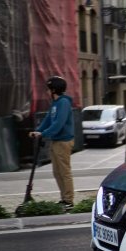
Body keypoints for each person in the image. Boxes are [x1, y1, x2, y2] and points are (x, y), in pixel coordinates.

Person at [29, 76, 75, 208]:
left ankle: (69, 200)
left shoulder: (63, 103)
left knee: (64, 171)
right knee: (57, 172)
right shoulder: (55, 104)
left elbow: (59, 124)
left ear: (54, 90)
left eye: (48, 89)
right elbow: (48, 120)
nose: (47, 92)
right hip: (56, 141)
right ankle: (64, 198)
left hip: (64, 141)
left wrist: (43, 134)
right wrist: (37, 131)